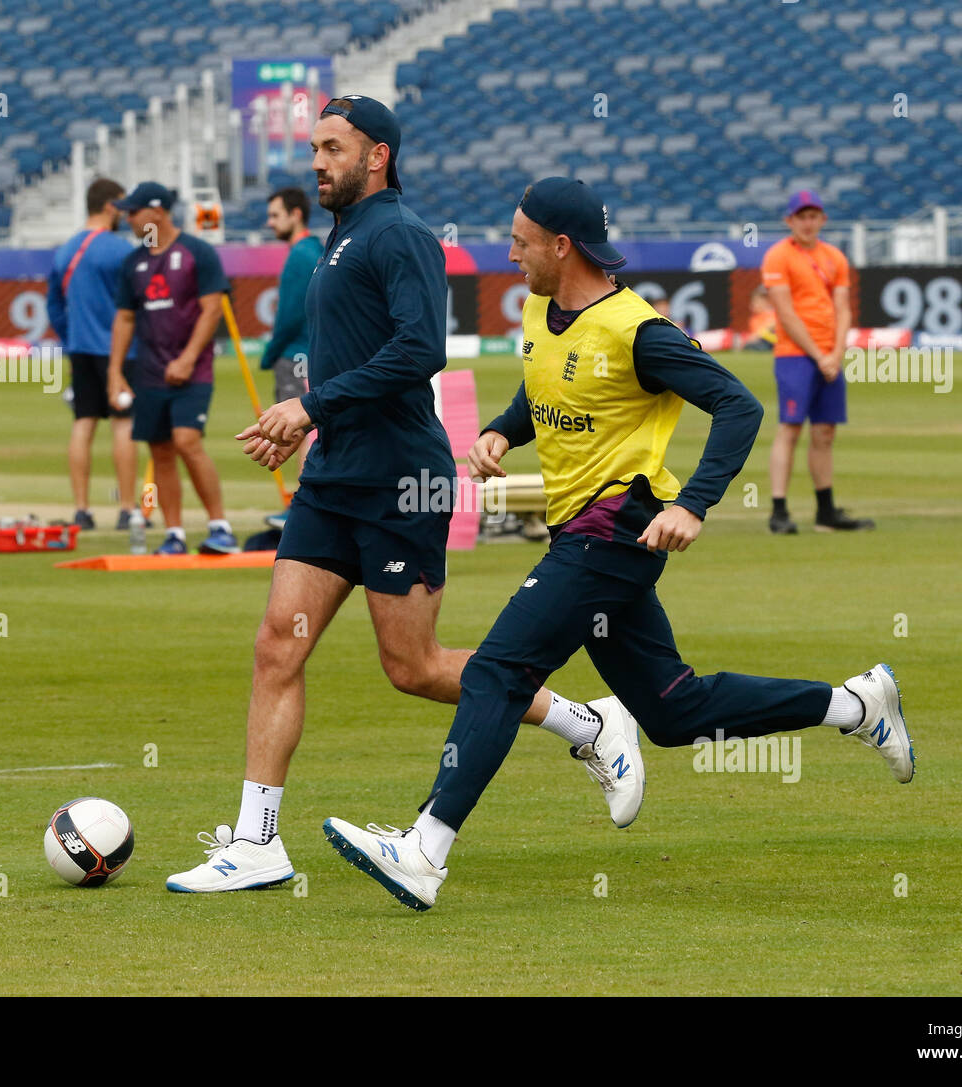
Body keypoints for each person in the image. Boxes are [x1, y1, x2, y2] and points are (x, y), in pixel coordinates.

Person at [320, 177, 915, 911]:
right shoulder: (543, 310)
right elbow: (545, 390)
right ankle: (857, 705)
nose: (510, 254)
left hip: (615, 529)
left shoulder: (639, 330)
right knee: (674, 711)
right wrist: (505, 428)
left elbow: (739, 405)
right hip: (581, 530)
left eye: (521, 240)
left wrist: (693, 504)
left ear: (561, 245)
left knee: (497, 671)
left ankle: (424, 850)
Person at [165, 100, 633, 895]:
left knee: (411, 667)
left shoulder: (402, 234)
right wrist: (305, 425)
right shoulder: (337, 239)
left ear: (376, 155)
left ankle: (585, 722)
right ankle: (257, 842)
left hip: (400, 487)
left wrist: (308, 406)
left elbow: (421, 351)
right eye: (312, 146)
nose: (315, 161)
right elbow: (352, 358)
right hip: (333, 479)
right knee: (279, 643)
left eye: (331, 147)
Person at [106, 182, 238, 555]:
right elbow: (125, 320)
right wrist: (115, 371)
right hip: (149, 372)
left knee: (187, 442)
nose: (128, 218)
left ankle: (220, 526)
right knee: (160, 450)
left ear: (157, 212)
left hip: (193, 371)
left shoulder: (198, 253)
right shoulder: (133, 263)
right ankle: (174, 533)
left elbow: (212, 309)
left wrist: (187, 358)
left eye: (134, 211)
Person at [762, 190, 872, 534]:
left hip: (828, 355)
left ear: (822, 220)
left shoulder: (834, 256)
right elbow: (785, 312)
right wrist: (820, 354)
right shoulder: (778, 257)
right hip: (796, 354)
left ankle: (826, 510)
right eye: (801, 217)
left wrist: (837, 352)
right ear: (789, 220)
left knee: (825, 431)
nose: (808, 223)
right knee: (790, 427)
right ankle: (778, 510)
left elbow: (843, 307)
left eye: (814, 217)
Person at [47, 178, 142, 531]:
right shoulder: (120, 251)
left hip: (81, 348)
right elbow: (137, 303)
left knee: (83, 423)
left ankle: (82, 511)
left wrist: (72, 337)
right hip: (120, 351)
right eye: (121, 205)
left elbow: (53, 306)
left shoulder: (65, 250)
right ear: (108, 206)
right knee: (123, 424)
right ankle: (127, 509)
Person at [263, 186, 324, 407]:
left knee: (289, 435)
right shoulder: (316, 249)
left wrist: (269, 355)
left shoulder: (299, 255)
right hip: (316, 356)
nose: (269, 223)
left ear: (296, 215)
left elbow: (288, 316)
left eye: (275, 215)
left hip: (296, 355)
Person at [741, 285, 778, 350]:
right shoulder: (754, 319)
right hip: (765, 341)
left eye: (758, 302)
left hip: (776, 340)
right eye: (755, 302)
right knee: (751, 346)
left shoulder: (774, 313)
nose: (754, 305)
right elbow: (756, 334)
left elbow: (774, 323)